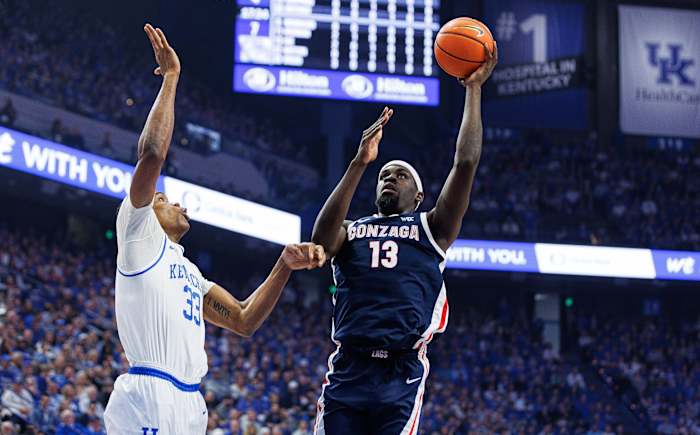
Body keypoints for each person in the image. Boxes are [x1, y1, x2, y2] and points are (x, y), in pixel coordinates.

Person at [103, 24, 326, 434]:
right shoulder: (137, 231)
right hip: (150, 393)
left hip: (191, 402)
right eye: (166, 200)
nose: (179, 203)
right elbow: (152, 154)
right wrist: (171, 78)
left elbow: (243, 319)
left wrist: (283, 266)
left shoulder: (190, 272)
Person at [310, 43, 498, 434]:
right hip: (349, 368)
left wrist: (473, 90)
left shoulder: (432, 227)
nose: (389, 177)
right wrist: (359, 163)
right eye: (385, 174)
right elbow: (321, 240)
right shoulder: (351, 231)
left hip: (400, 373)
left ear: (419, 196)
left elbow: (465, 162)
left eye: (400, 175)